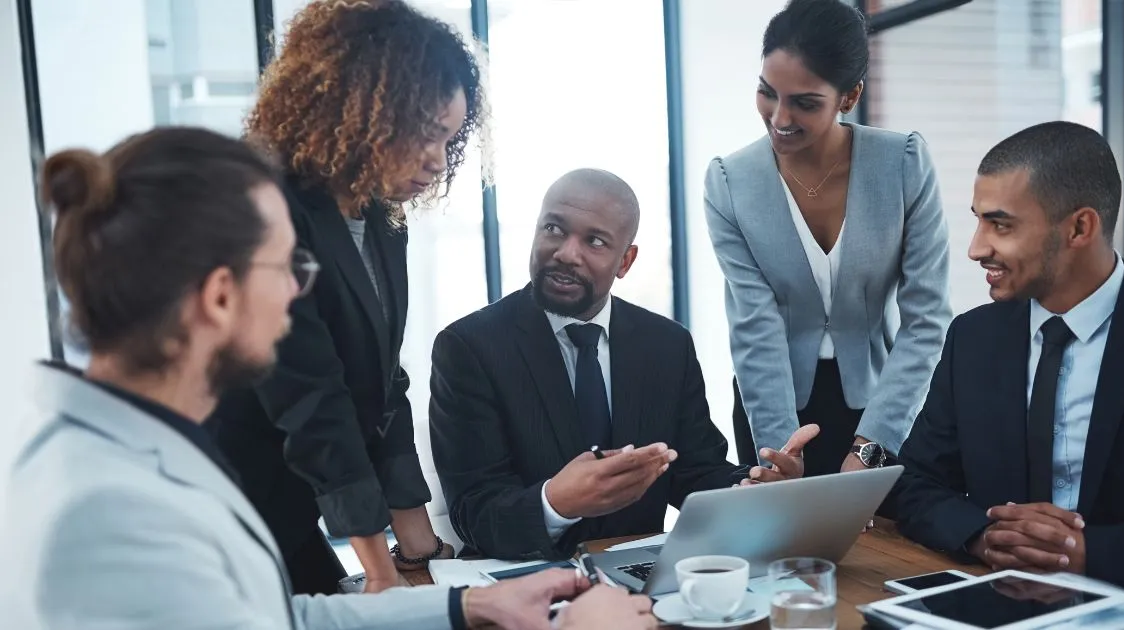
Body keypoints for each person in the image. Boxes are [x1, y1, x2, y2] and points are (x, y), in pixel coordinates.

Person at [0, 127, 657, 630]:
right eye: (287, 267)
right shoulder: (108, 514)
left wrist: (471, 604)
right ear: (220, 298)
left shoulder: (129, 451)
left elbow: (287, 617)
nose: (299, 292)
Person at [211, 0, 486, 595]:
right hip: (230, 503)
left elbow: (382, 381)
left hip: (294, 506)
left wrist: (415, 538)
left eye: (450, 138)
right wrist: (382, 574)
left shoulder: (383, 214)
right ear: (362, 110)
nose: (438, 161)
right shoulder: (268, 210)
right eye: (426, 134)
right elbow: (314, 400)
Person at [429, 168, 820, 561]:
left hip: (640, 574)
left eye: (594, 241)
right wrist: (557, 502)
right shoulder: (469, 347)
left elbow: (697, 472)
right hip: (522, 577)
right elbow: (473, 511)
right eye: (553, 229)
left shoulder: (667, 345)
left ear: (625, 261)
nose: (566, 253)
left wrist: (755, 488)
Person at [893, 121, 1124, 609]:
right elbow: (914, 483)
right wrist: (983, 535)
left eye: (1002, 225)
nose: (976, 248)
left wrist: (1085, 553)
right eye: (978, 221)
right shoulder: (973, 338)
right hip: (994, 608)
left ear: (1080, 227)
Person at [704, 0, 951, 479]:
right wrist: (779, 452)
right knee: (786, 542)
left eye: (804, 102)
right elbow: (755, 327)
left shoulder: (902, 164)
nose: (779, 117)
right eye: (766, 92)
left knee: (885, 549)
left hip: (885, 404)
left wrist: (871, 447)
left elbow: (927, 319)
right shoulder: (730, 182)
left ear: (849, 95)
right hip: (776, 409)